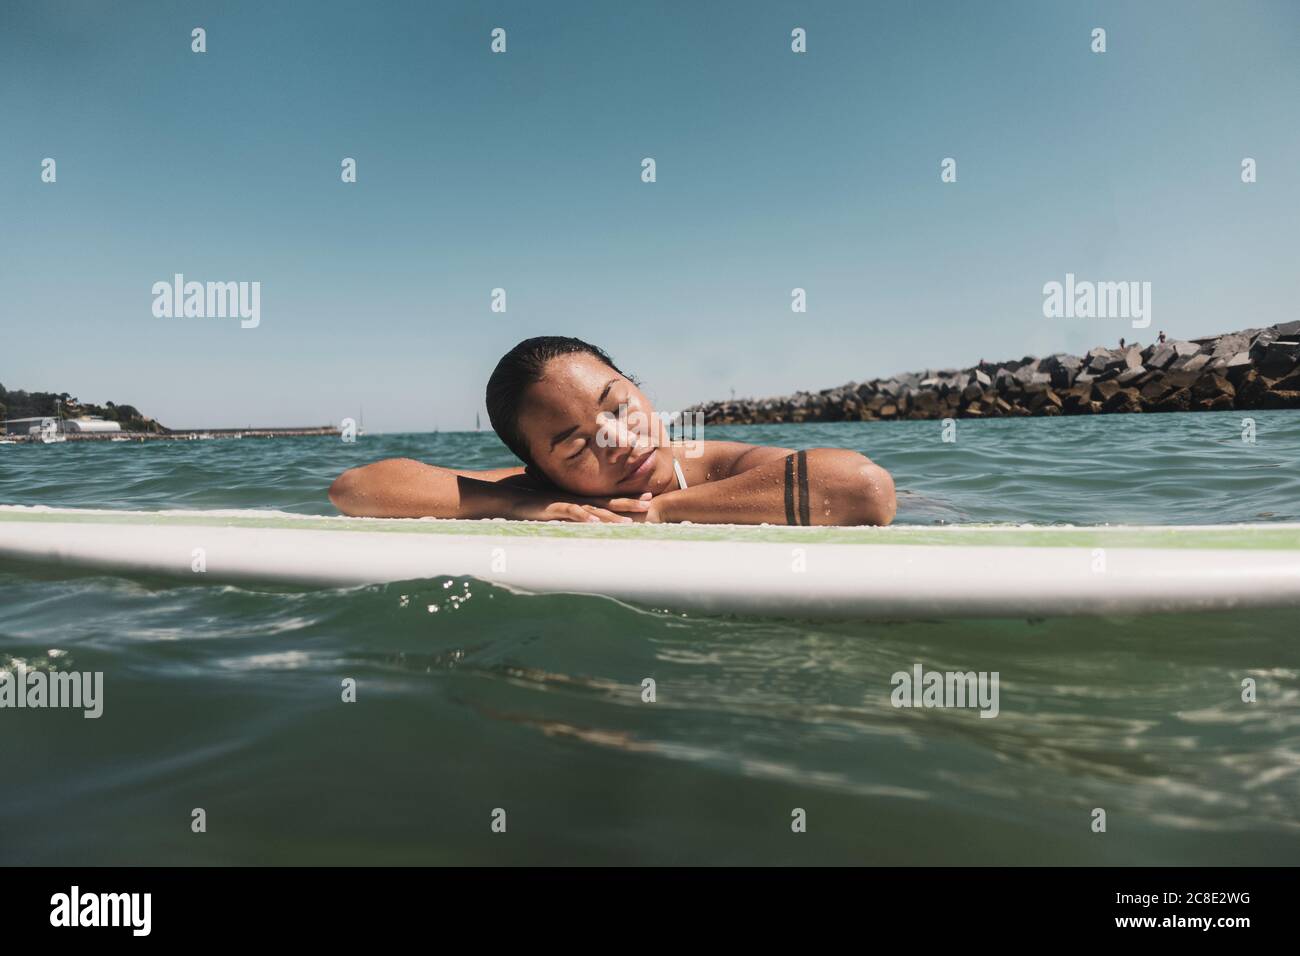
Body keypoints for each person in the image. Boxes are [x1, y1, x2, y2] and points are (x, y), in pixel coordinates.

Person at [329, 336, 896, 526]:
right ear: (539, 469)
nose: (621, 442)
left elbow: (862, 488)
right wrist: (521, 506)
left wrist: (659, 512)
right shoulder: (549, 494)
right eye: (576, 446)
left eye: (621, 408)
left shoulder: (716, 464)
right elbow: (356, 488)